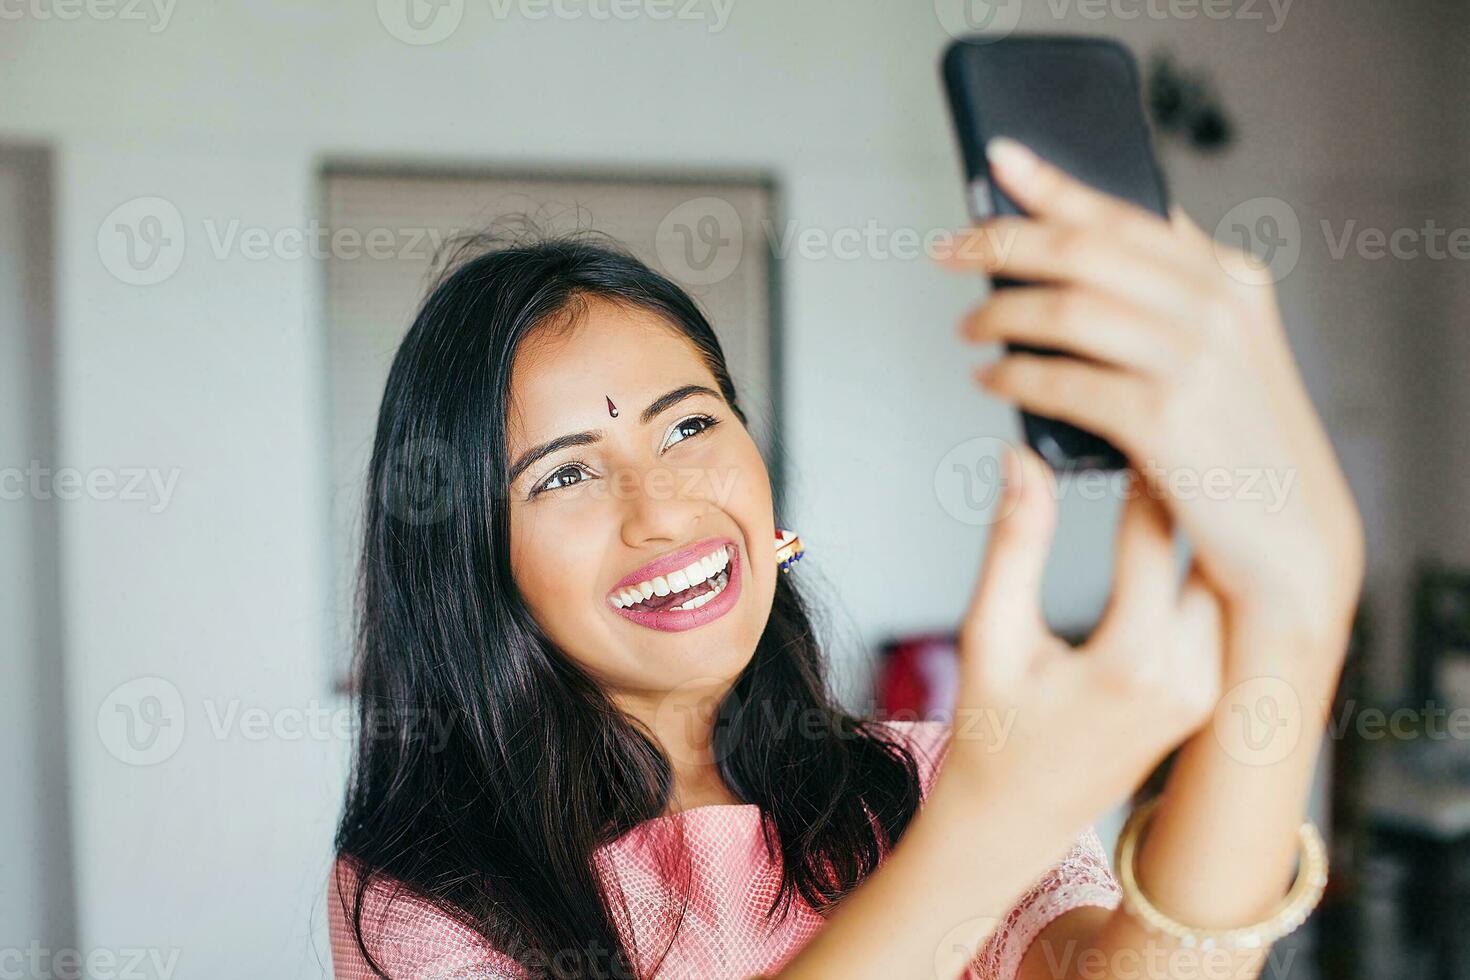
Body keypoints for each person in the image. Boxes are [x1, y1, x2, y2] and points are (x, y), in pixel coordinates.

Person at [327, 136, 1365, 979]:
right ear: (470, 558)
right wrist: (993, 828)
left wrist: (1297, 616)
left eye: (689, 427)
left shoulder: (931, 775)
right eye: (563, 474)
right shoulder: (424, 894)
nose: (663, 509)